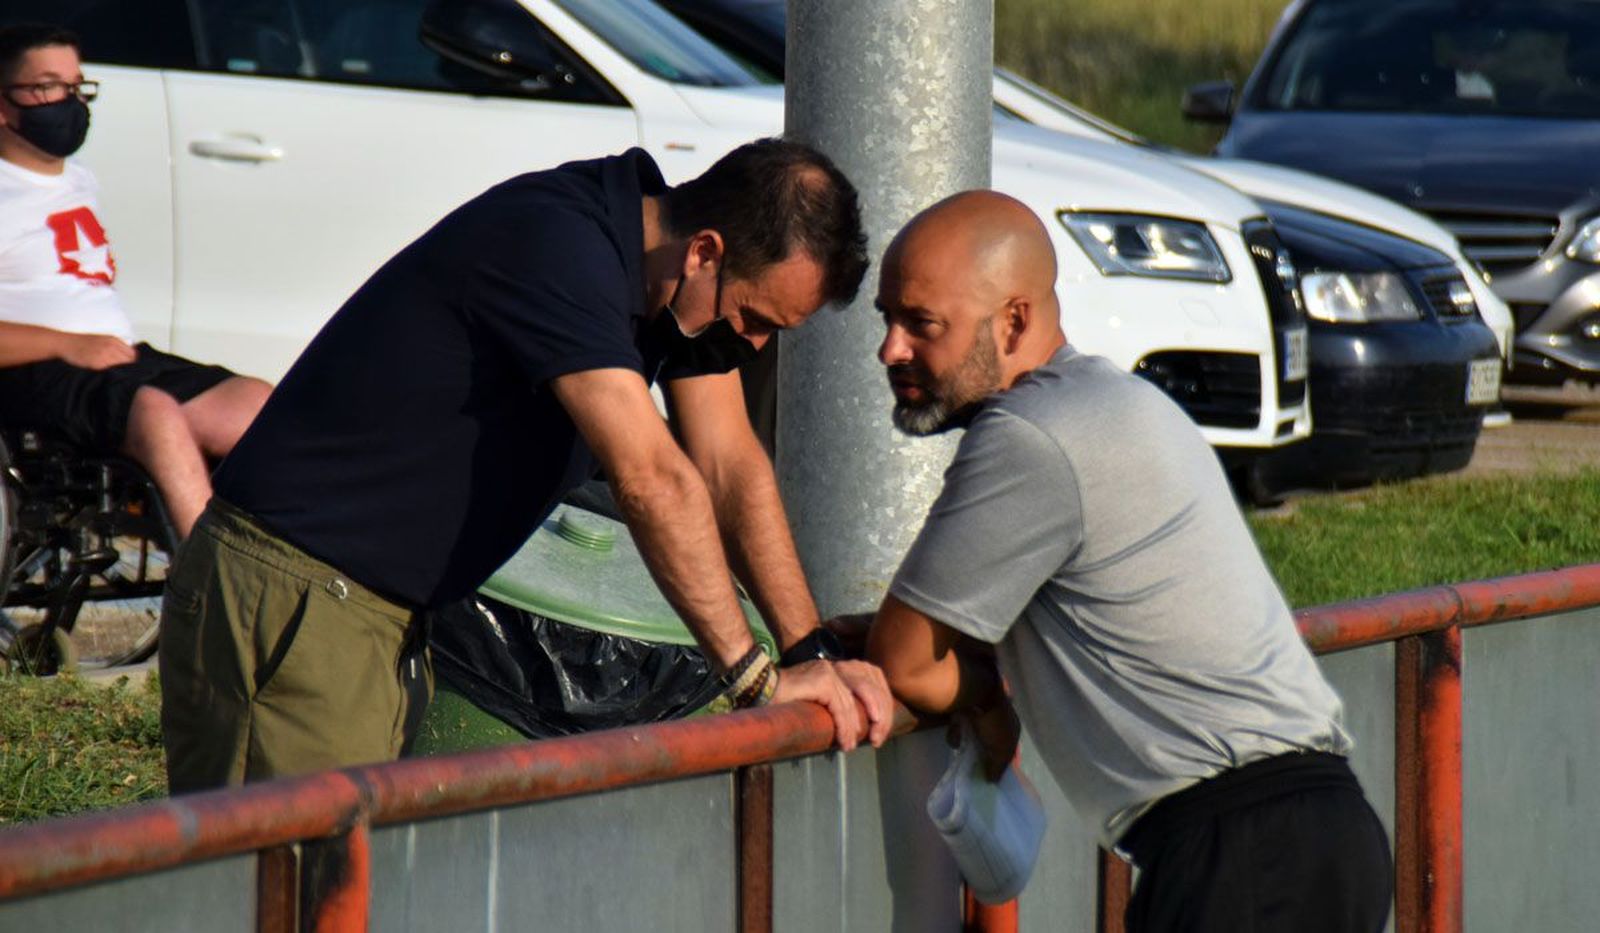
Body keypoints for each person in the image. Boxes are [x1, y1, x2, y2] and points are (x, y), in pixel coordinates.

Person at [159, 136, 895, 792]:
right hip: (297, 592)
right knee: (278, 895)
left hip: (379, 613)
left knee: (342, 894)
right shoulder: (561, 249)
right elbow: (652, 475)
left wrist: (813, 653)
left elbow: (730, 463)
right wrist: (756, 678)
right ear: (704, 250)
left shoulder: (668, 280)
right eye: (757, 319)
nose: (756, 346)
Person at [862, 191, 1392, 931]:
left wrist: (989, 705)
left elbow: (905, 658)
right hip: (1316, 832)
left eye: (921, 323)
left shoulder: (1030, 434)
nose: (890, 348)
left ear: (1015, 320)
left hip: (1239, 852)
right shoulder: (1118, 400)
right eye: (885, 317)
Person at [0, 24, 271, 538]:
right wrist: (68, 344)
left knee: (254, 402)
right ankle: (204, 576)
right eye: (49, 86)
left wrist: (91, 347)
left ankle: (284, 563)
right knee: (154, 412)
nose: (70, 102)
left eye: (78, 87)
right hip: (34, 368)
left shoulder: (78, 178)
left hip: (112, 359)